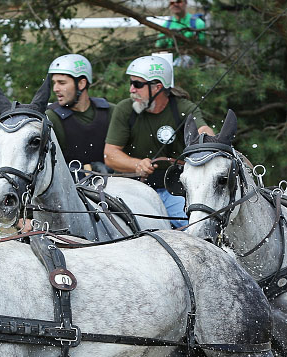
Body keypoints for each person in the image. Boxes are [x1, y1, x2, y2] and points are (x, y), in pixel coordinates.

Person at [103, 55, 213, 228]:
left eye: (138, 84)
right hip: (136, 188)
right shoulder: (125, 109)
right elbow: (110, 155)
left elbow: (203, 132)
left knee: (194, 226)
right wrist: (137, 165)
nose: (132, 90)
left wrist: (206, 138)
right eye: (131, 83)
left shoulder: (184, 108)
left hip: (176, 189)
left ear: (157, 87)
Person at [45, 54, 113, 173]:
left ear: (81, 84)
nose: (55, 88)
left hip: (113, 184)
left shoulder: (110, 111)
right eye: (54, 83)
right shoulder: (51, 117)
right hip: (70, 187)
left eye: (62, 83)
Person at [155, 0, 206, 66]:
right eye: (172, 3)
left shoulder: (197, 23)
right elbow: (158, 45)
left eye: (179, 1)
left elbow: (204, 47)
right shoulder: (167, 24)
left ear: (186, 2)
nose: (175, 5)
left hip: (194, 67)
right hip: (170, 64)